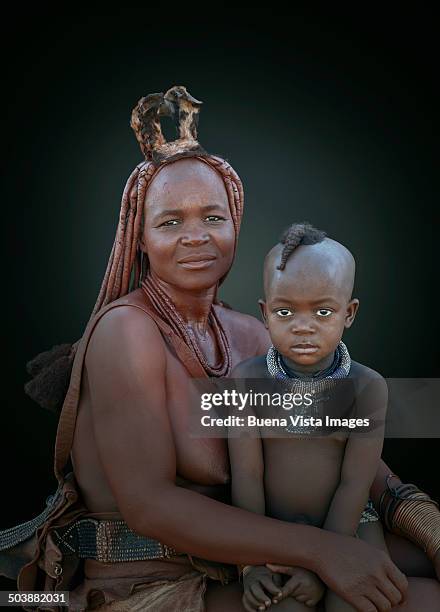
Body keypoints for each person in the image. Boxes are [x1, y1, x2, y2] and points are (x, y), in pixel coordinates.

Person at [1, 86, 439, 611]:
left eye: (213, 217)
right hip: (151, 582)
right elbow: (150, 506)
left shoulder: (252, 334)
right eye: (170, 222)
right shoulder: (126, 332)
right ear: (139, 237)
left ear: (236, 225)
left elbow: (346, 438)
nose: (195, 237)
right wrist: (323, 552)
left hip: (256, 556)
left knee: (422, 569)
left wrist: (421, 521)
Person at [228, 223, 394, 611]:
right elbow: (247, 476)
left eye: (323, 311)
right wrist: (251, 564)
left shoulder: (367, 388)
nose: (304, 327)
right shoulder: (245, 381)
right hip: (275, 531)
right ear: (265, 313)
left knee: (353, 599)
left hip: (350, 525)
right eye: (285, 311)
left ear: (348, 313)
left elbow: (355, 484)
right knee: (279, 604)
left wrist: (325, 566)